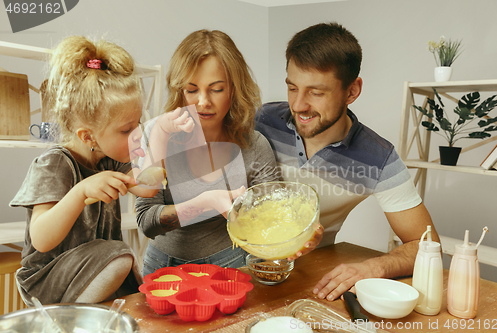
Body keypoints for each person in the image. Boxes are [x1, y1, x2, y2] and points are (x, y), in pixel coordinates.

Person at [255, 22, 440, 301]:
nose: (298, 105)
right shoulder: (262, 121)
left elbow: (426, 246)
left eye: (316, 92)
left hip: (306, 279)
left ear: (352, 91)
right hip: (228, 266)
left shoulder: (378, 158)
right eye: (292, 88)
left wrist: (374, 266)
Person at [9, 36, 164, 306]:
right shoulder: (55, 163)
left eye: (138, 123)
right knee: (120, 256)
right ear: (88, 136)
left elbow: (149, 187)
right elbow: (42, 239)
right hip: (48, 280)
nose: (137, 133)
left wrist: (156, 144)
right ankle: (68, 319)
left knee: (126, 267)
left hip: (93, 267)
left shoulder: (109, 158)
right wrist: (80, 192)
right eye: (127, 130)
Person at [135, 29, 280, 276]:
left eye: (216, 89)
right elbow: (147, 222)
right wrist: (206, 203)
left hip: (232, 263)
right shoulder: (157, 135)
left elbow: (271, 220)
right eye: (192, 90)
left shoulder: (255, 145)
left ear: (234, 89)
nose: (203, 101)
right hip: (162, 268)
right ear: (180, 90)